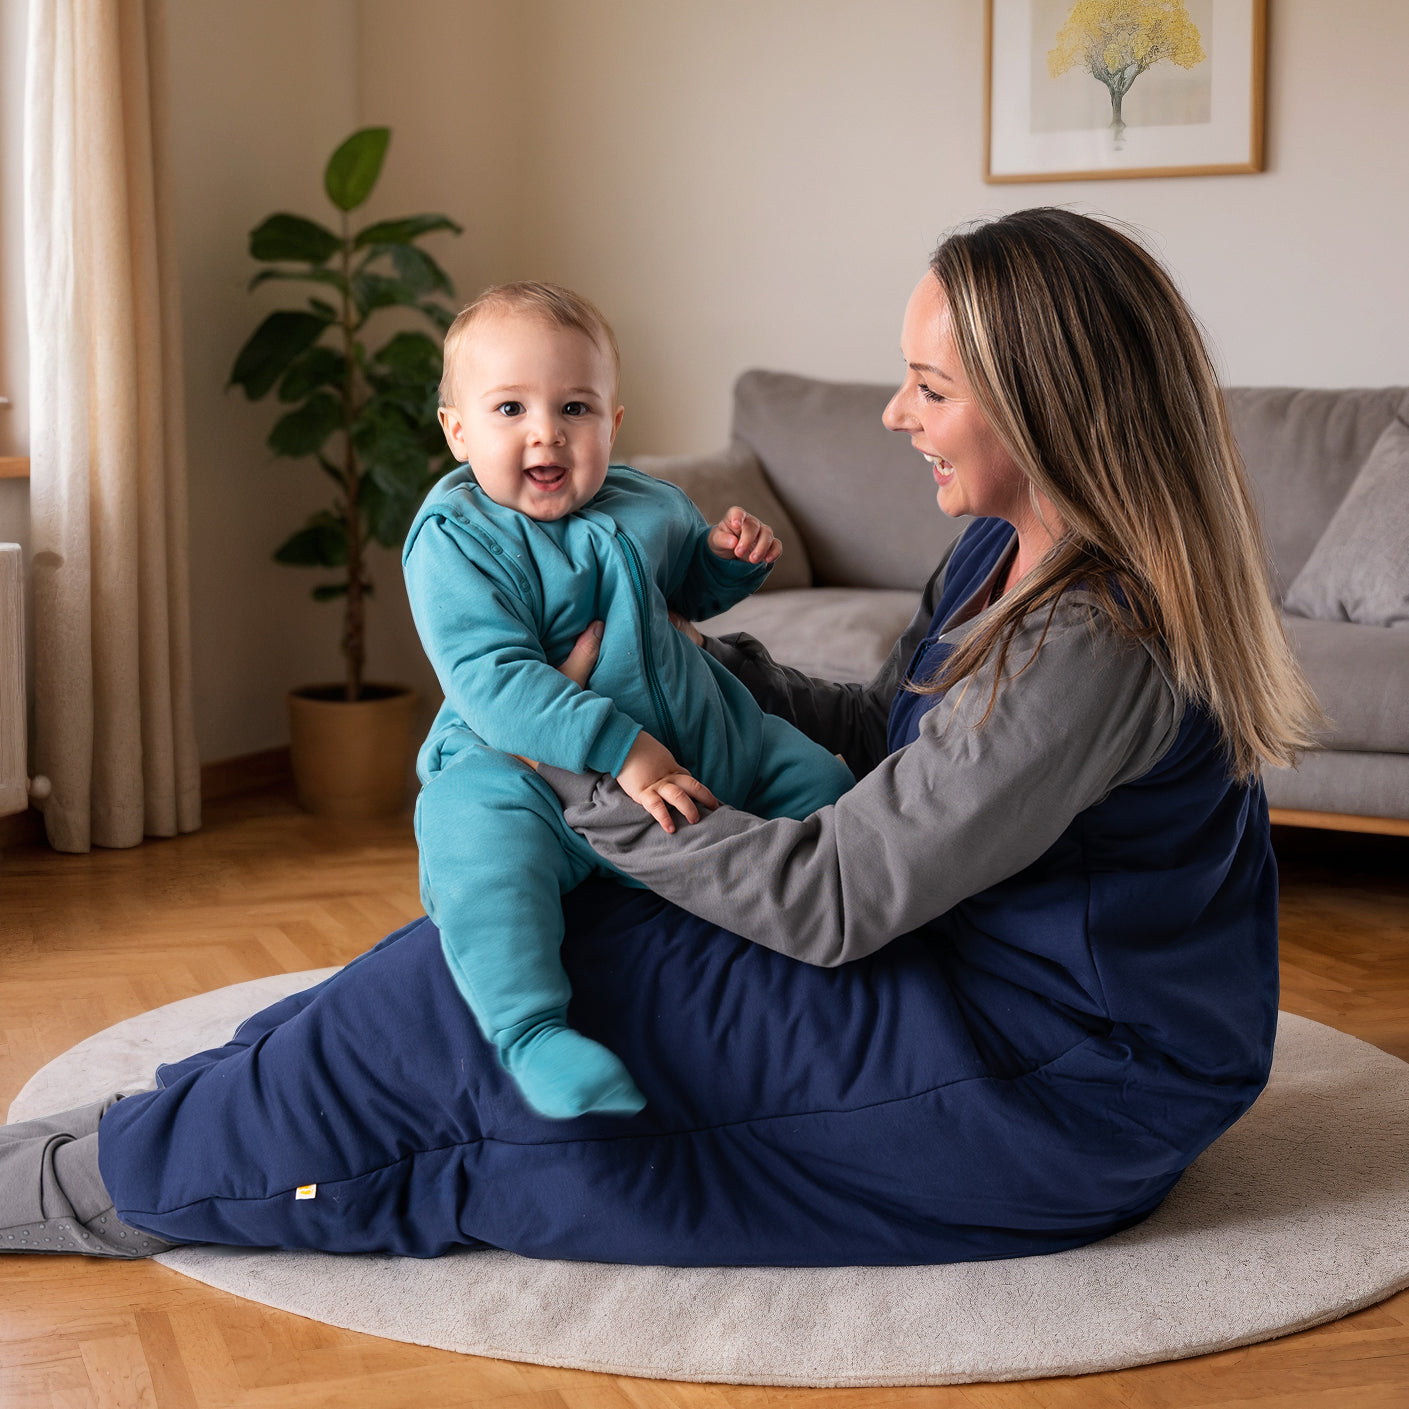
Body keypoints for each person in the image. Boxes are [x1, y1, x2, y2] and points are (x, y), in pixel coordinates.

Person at [2, 208, 1321, 1267]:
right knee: (478, 961)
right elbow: (904, 742)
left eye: (927, 386)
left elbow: (838, 894)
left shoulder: (1094, 640)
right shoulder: (1004, 548)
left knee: (446, 1048)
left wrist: (579, 755)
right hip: (966, 950)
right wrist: (686, 669)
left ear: (1046, 411)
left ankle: (75, 1186)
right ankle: (137, 1130)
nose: (892, 416)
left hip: (1053, 1069)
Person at [403, 281, 851, 1119]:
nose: (545, 431)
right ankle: (534, 1033)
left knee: (818, 779)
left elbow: (684, 593)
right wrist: (626, 751)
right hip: (531, 769)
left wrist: (725, 561)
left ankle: (848, 933)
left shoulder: (647, 501)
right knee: (473, 841)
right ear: (457, 432)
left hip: (705, 739)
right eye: (509, 408)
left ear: (611, 423)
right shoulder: (455, 537)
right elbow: (492, 677)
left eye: (573, 406)